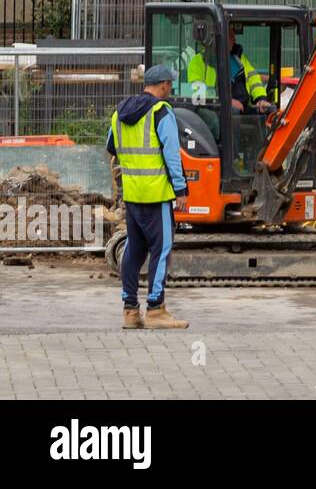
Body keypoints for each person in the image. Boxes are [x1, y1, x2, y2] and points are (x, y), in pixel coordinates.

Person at [106, 64, 189, 330]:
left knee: (134, 250)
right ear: (163, 85)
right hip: (156, 194)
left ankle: (130, 311)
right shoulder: (161, 111)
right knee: (161, 249)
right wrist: (181, 189)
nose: (170, 88)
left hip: (132, 194)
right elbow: (172, 155)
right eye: (170, 84)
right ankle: (155, 309)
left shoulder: (120, 112)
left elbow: (111, 145)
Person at [187, 25, 275, 116]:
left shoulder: (239, 58)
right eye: (231, 36)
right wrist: (227, 101)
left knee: (268, 113)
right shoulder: (199, 61)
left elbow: (254, 80)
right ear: (219, 39)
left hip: (243, 109)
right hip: (215, 109)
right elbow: (198, 92)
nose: (235, 39)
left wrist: (261, 99)